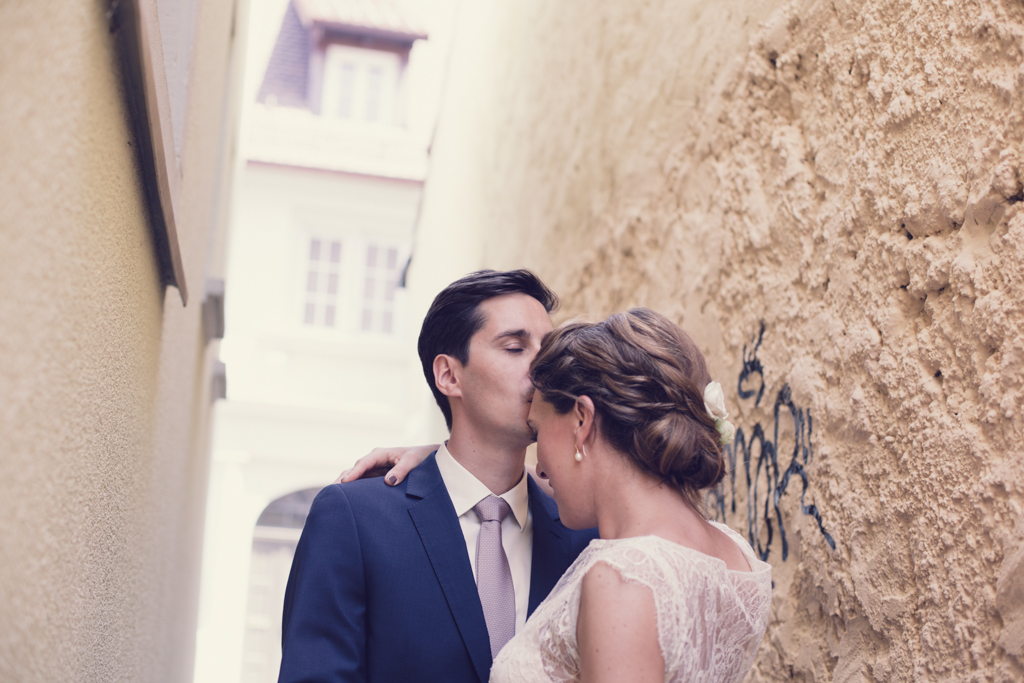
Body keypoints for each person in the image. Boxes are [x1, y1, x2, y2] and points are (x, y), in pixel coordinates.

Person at [350, 309, 772, 682]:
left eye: (536, 432)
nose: (541, 463)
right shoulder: (735, 556)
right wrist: (446, 460)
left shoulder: (623, 579)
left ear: (583, 420)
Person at [277, 270, 599, 683]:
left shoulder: (583, 535)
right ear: (449, 375)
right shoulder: (353, 520)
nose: (545, 370)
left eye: (547, 349)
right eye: (516, 348)